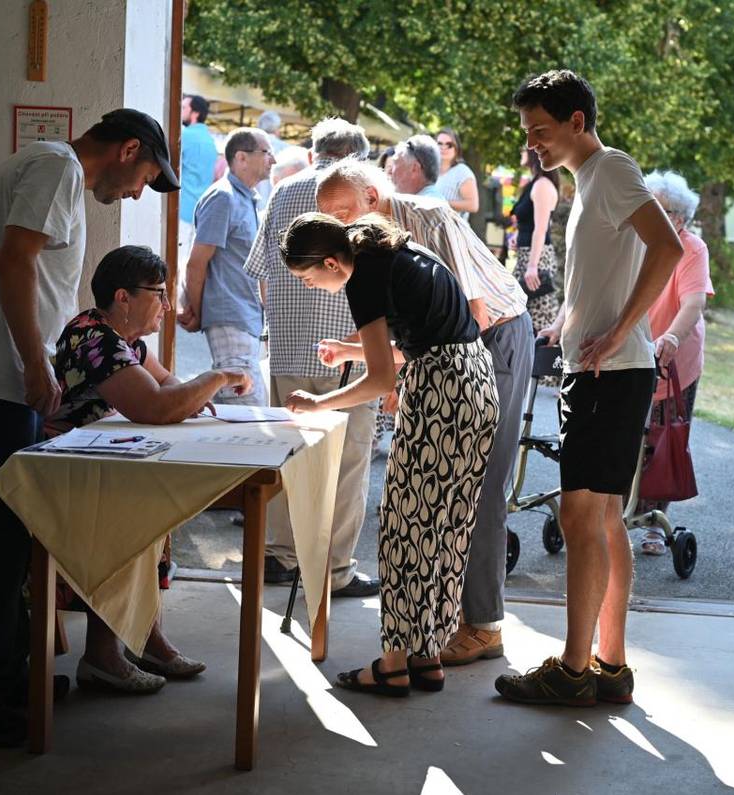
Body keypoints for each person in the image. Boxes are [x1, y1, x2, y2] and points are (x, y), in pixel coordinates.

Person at [0, 108, 179, 745]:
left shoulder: (40, 164)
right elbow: (15, 262)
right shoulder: (57, 166)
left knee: (9, 538)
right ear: (127, 149)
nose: (138, 191)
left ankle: (6, 679)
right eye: (146, 175)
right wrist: (37, 363)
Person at [496, 69, 682, 707]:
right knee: (602, 517)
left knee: (580, 515)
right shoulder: (587, 184)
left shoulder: (613, 168)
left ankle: (573, 671)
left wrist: (622, 330)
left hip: (615, 372)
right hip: (600, 368)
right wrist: (570, 322)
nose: (533, 145)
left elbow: (667, 250)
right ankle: (610, 666)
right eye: (528, 134)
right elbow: (608, 274)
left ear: (577, 121)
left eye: (541, 131)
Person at [314, 160, 533, 666]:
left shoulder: (428, 218)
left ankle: (483, 624)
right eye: (329, 219)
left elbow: (470, 317)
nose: (339, 228)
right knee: (434, 496)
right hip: (447, 352)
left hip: (493, 338)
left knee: (478, 484)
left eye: (343, 213)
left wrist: (410, 377)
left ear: (372, 195)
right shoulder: (369, 246)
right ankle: (439, 625)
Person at [280, 212, 498, 696]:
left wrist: (320, 402)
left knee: (403, 525)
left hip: (441, 392)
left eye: (310, 278)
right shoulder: (397, 253)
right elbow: (419, 343)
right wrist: (348, 350)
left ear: (333, 262)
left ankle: (394, 663)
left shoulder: (364, 278)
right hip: (477, 381)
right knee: (444, 526)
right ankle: (426, 656)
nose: (314, 288)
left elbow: (383, 380)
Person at [49, 246, 252, 691]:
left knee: (150, 507)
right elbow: (157, 407)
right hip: (68, 479)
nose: (165, 304)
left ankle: (146, 637)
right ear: (123, 296)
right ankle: (103, 656)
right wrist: (217, 377)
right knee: (135, 513)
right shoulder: (92, 338)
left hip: (104, 470)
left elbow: (167, 383)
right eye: (158, 293)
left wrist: (189, 396)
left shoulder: (126, 342)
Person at [241, 117, 382, 597]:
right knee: (346, 460)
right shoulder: (359, 198)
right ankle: (334, 568)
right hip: (349, 349)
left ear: (315, 149)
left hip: (287, 346)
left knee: (291, 455)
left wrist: (283, 318)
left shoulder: (283, 191)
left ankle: (280, 555)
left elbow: (260, 270)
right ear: (355, 158)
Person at [637, 170, 715, 555]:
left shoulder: (692, 248)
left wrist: (669, 336)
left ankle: (654, 523)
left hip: (674, 358)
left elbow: (694, 303)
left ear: (678, 219)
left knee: (663, 439)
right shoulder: (634, 240)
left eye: (656, 207)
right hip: (634, 352)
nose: (645, 212)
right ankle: (624, 509)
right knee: (627, 436)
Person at [177, 127, 274, 406]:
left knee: (237, 408)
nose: (273, 160)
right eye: (266, 152)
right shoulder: (223, 197)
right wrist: (198, 309)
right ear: (241, 158)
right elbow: (196, 263)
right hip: (230, 316)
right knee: (247, 412)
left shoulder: (247, 199)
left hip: (244, 318)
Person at [510, 147, 560, 336]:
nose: (521, 151)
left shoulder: (542, 185)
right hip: (528, 257)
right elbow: (531, 224)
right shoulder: (534, 184)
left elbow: (541, 228)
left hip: (537, 260)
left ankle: (543, 363)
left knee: (539, 319)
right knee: (524, 318)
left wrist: (532, 265)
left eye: (524, 149)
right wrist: (519, 237)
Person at [179, 95, 218, 275]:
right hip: (201, 210)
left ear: (195, 113)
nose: (180, 111)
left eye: (184, 107)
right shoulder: (210, 140)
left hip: (182, 208)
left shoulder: (185, 136)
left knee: (177, 263)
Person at [435, 128, 479, 219]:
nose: (443, 148)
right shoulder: (429, 169)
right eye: (439, 144)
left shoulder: (463, 172)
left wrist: (440, 203)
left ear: (456, 149)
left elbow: (473, 205)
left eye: (449, 145)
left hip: (452, 230)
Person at [390, 134, 445, 199]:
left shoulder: (423, 205)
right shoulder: (431, 200)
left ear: (414, 168)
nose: (390, 171)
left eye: (395, 163)